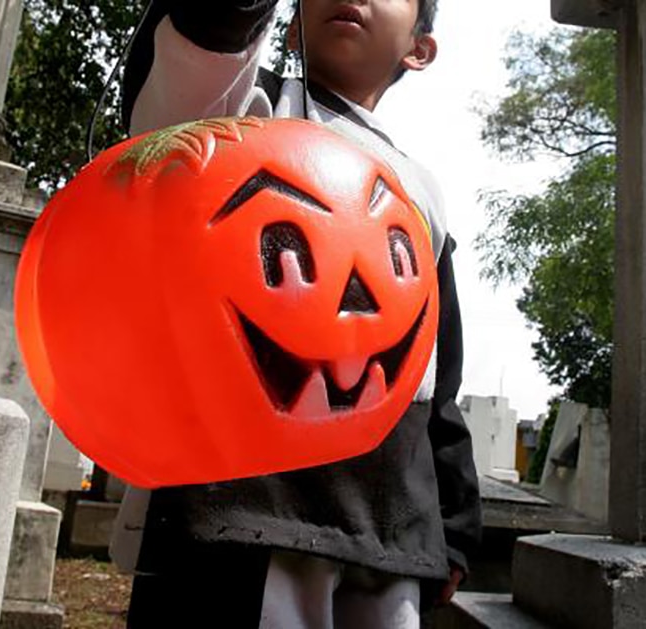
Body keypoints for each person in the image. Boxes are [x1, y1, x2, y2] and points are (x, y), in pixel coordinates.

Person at [111, 2, 482, 627]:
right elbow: (198, 54)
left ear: (419, 48)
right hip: (244, 508)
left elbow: (437, 375)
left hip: (387, 525)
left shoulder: (423, 191)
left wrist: (455, 526)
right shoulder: (239, 109)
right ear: (287, 23)